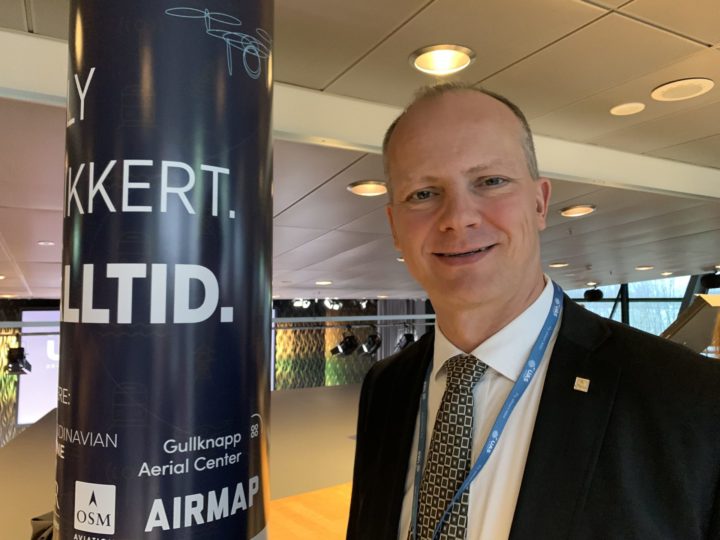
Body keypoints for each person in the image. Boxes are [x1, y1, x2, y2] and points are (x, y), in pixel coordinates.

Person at [346, 83, 720, 540]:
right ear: (394, 226)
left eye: (490, 181)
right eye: (423, 193)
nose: (458, 217)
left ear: (540, 202)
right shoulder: (386, 387)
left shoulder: (692, 400)